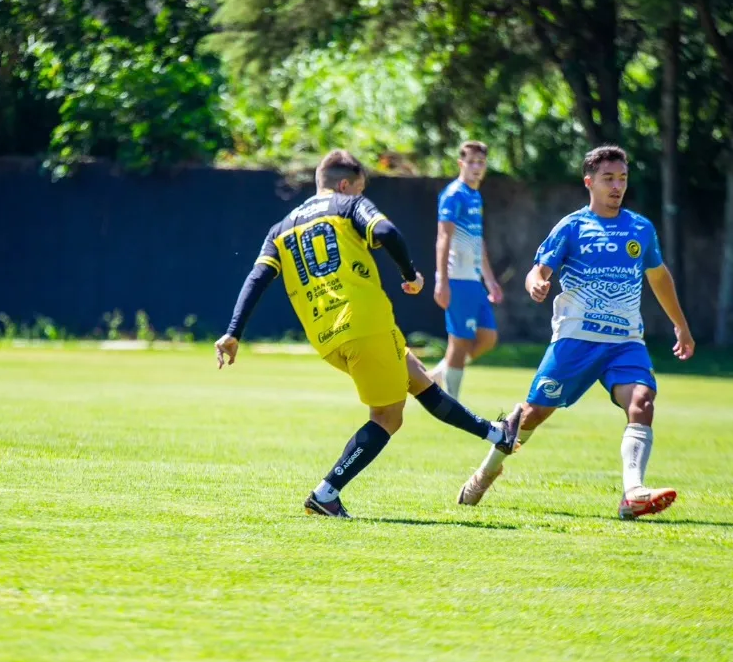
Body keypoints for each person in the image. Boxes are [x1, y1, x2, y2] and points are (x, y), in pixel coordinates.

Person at [216, 149, 523, 519]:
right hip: (365, 323)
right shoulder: (348, 205)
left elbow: (257, 278)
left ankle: (496, 434)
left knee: (417, 378)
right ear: (345, 185)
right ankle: (325, 492)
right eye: (357, 188)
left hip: (328, 337)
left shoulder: (279, 229)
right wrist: (410, 275)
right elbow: (386, 231)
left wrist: (233, 332)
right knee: (388, 417)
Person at [455, 145, 696, 520]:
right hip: (575, 342)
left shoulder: (640, 229)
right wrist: (536, 283)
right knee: (532, 415)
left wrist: (681, 325)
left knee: (643, 401)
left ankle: (633, 493)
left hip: (625, 343)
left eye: (622, 179)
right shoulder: (572, 227)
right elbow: (539, 269)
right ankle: (485, 473)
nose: (617, 186)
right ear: (590, 183)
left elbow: (659, 278)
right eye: (608, 179)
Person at [429, 141, 504, 398]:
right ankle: (451, 403)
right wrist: (442, 280)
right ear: (461, 164)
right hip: (457, 279)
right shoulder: (453, 195)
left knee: (488, 338)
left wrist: (490, 281)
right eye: (471, 162)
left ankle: (440, 373)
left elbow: (477, 240)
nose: (476, 167)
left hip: (474, 281)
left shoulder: (475, 195)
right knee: (459, 343)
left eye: (480, 163)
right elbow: (443, 237)